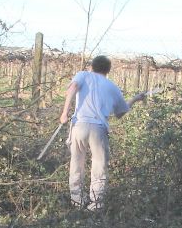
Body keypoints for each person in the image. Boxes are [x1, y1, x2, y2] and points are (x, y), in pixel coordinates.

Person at [59, 55, 146, 211]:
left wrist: (64, 113)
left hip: (79, 125)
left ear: (91, 67)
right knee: (99, 166)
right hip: (98, 129)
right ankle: (95, 205)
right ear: (108, 70)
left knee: (76, 164)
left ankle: (77, 201)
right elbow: (120, 113)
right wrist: (135, 99)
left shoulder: (83, 75)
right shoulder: (112, 86)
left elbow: (72, 88)